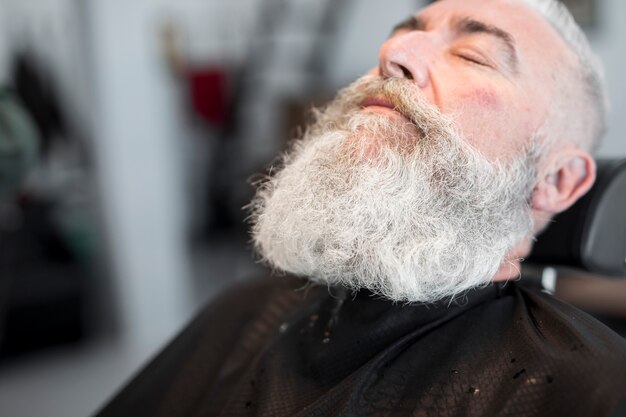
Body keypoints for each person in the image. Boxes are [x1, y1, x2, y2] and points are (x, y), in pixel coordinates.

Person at [96, 0, 626, 416]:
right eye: (404, 33)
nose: (393, 53)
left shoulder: (589, 391)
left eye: (472, 56)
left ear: (557, 180)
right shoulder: (246, 311)